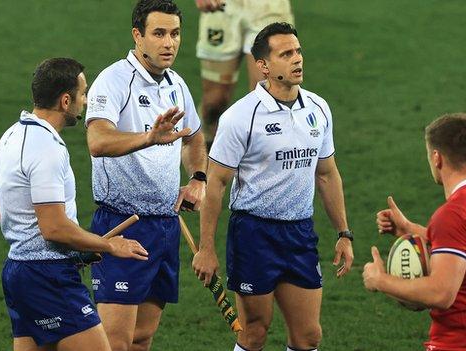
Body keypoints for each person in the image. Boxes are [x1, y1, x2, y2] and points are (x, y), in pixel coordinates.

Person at [192, 22, 354, 351]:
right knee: (255, 331)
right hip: (254, 234)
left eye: (298, 51)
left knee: (308, 336)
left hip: (299, 234)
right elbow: (217, 183)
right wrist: (206, 248)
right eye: (285, 54)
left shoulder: (318, 109)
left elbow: (327, 174)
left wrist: (343, 233)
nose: (297, 59)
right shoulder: (241, 117)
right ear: (263, 66)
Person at [0, 58, 149, 351]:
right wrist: (108, 246)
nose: (86, 101)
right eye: (83, 93)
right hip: (48, 277)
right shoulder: (46, 147)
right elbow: (53, 228)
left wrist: (79, 249)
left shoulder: (9, 137)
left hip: (18, 272)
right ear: (66, 100)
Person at [84, 0, 207, 350]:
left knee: (142, 339)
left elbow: (195, 137)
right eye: (159, 34)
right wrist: (148, 138)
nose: (169, 43)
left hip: (165, 226)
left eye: (175, 34)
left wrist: (198, 177)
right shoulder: (114, 80)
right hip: (123, 224)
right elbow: (97, 140)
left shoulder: (176, 84)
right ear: (138, 36)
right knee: (116, 342)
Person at [363, 113, 466, 351]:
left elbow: (441, 293)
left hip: (460, 345)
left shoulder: (453, 214)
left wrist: (380, 280)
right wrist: (410, 229)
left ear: (436, 158)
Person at [194, 0, 294, 147]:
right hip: (222, 9)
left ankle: (259, 166)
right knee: (214, 102)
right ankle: (207, 157)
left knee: (267, 101)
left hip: (269, 9)